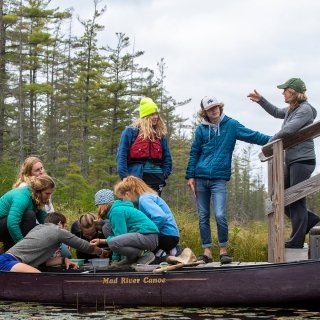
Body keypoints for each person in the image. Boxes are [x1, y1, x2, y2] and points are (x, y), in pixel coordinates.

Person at [186, 96, 271, 264]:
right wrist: (190, 176)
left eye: (216, 107)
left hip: (219, 179)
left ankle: (223, 250)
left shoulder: (231, 125)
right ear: (205, 112)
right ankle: (207, 251)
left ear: (220, 107)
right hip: (201, 178)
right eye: (210, 109)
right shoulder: (201, 130)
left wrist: (276, 138)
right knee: (203, 216)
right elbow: (194, 152)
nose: (214, 110)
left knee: (219, 214)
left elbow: (252, 135)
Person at [247, 78, 320, 248]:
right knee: (281, 198)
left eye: (285, 90)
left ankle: (297, 239)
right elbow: (276, 112)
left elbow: (289, 129)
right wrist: (261, 101)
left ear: (294, 92)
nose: (282, 93)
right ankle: (311, 220)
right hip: (292, 160)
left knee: (296, 199)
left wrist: (269, 145)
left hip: (303, 160)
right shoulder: (292, 109)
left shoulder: (305, 110)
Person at [0, 212, 108, 272]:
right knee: (38, 277)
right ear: (60, 224)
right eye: (65, 226)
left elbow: (42, 261)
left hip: (7, 259)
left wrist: (63, 260)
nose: (66, 229)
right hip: (8, 261)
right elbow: (85, 246)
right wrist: (102, 252)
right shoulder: (57, 231)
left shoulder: (38, 228)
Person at [114, 176, 180, 263]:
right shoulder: (146, 197)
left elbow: (160, 217)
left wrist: (147, 231)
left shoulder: (144, 199)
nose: (123, 201)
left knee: (136, 240)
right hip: (171, 235)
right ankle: (169, 252)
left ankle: (161, 254)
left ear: (127, 194)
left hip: (167, 236)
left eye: (122, 198)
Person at [117, 97, 172, 196]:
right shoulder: (131, 131)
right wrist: (124, 176)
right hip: (136, 178)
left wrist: (164, 175)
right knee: (137, 206)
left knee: (153, 208)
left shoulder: (160, 134)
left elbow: (167, 158)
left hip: (156, 178)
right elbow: (122, 155)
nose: (155, 117)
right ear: (145, 116)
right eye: (152, 114)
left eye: (156, 114)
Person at [91, 189, 159, 266]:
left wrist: (101, 241)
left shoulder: (116, 212)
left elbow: (119, 238)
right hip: (142, 237)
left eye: (97, 206)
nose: (97, 209)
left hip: (148, 237)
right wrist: (116, 259)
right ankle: (131, 258)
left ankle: (145, 255)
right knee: (107, 227)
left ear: (102, 205)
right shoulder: (115, 211)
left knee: (113, 242)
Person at [0, 174, 55, 251]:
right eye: (47, 194)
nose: (49, 197)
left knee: (37, 228)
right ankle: (17, 249)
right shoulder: (22, 197)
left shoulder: (34, 197)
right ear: (39, 191)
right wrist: (23, 246)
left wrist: (55, 231)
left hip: (6, 224)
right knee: (29, 215)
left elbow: (44, 220)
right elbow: (12, 223)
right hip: (5, 223)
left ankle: (8, 248)